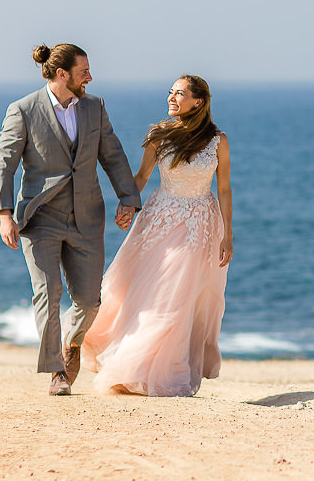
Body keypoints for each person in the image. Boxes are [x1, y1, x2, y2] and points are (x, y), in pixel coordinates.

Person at [0, 44, 142, 396]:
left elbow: (113, 155)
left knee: (90, 301)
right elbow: (4, 164)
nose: (89, 77)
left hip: (87, 217)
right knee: (48, 292)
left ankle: (71, 345)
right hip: (39, 217)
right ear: (63, 74)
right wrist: (4, 214)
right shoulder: (23, 110)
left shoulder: (95, 107)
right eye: (83, 70)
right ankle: (57, 372)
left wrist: (128, 199)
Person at [81, 74, 233, 396]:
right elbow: (141, 176)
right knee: (142, 292)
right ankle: (135, 367)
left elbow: (224, 189)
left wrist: (228, 234)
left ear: (199, 101)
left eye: (179, 94)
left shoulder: (218, 141)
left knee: (175, 296)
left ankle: (164, 372)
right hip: (158, 218)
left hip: (198, 225)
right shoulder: (159, 134)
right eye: (171, 92)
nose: (171, 98)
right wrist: (127, 206)